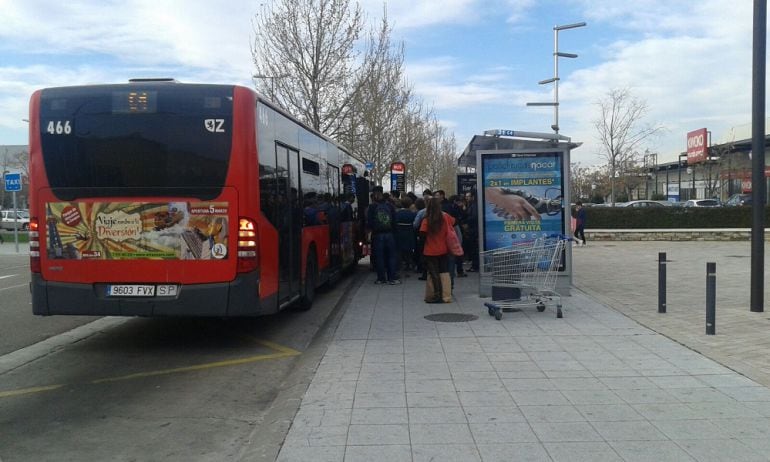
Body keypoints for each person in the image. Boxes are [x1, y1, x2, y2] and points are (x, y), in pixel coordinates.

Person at [419, 197, 454, 303]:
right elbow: (455, 222)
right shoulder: (446, 217)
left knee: (434, 274)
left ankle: (436, 295)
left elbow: (422, 235)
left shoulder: (426, 220)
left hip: (430, 251)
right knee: (444, 272)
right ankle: (446, 295)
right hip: (444, 249)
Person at [367, 186, 400, 284]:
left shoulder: (372, 207)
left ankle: (381, 278)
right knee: (391, 256)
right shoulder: (390, 206)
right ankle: (392, 278)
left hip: (378, 235)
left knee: (379, 257)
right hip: (390, 234)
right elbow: (395, 221)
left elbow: (369, 222)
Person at [395, 197, 416, 273]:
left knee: (399, 250)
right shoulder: (412, 214)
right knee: (409, 250)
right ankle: (408, 264)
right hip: (409, 234)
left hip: (399, 234)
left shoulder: (397, 213)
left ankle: (399, 265)